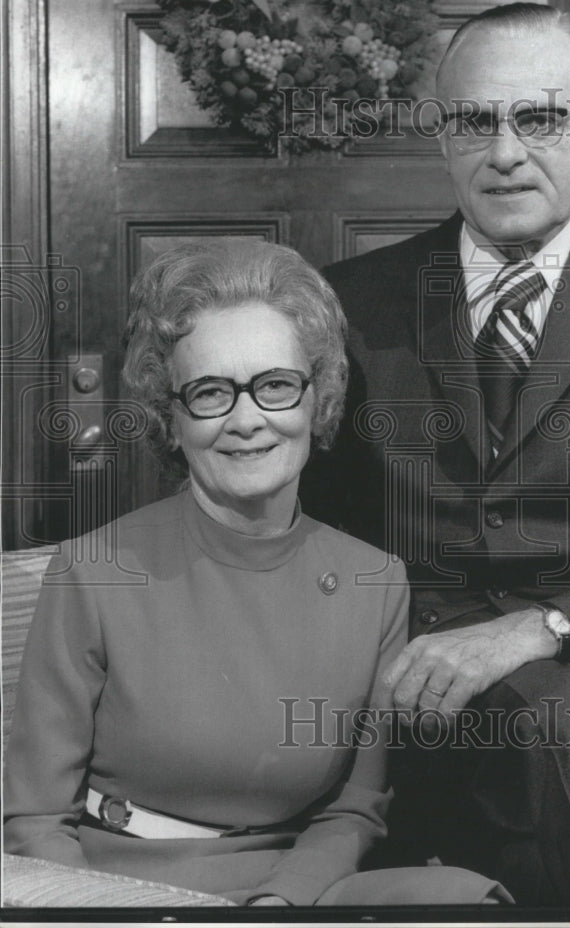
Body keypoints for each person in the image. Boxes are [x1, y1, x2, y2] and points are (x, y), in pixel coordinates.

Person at [301, 3, 570, 904]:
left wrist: (538, 630)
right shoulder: (350, 302)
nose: (502, 152)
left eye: (539, 118)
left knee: (560, 723)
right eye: (473, 120)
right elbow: (308, 528)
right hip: (408, 690)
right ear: (441, 136)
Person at [3, 242, 509, 907]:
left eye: (274, 385)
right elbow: (37, 822)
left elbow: (354, 810)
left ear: (315, 398)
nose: (247, 420)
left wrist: (279, 906)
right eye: (211, 392)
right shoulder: (92, 571)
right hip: (127, 893)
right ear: (172, 415)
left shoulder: (374, 580)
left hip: (295, 891)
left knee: (463, 899)